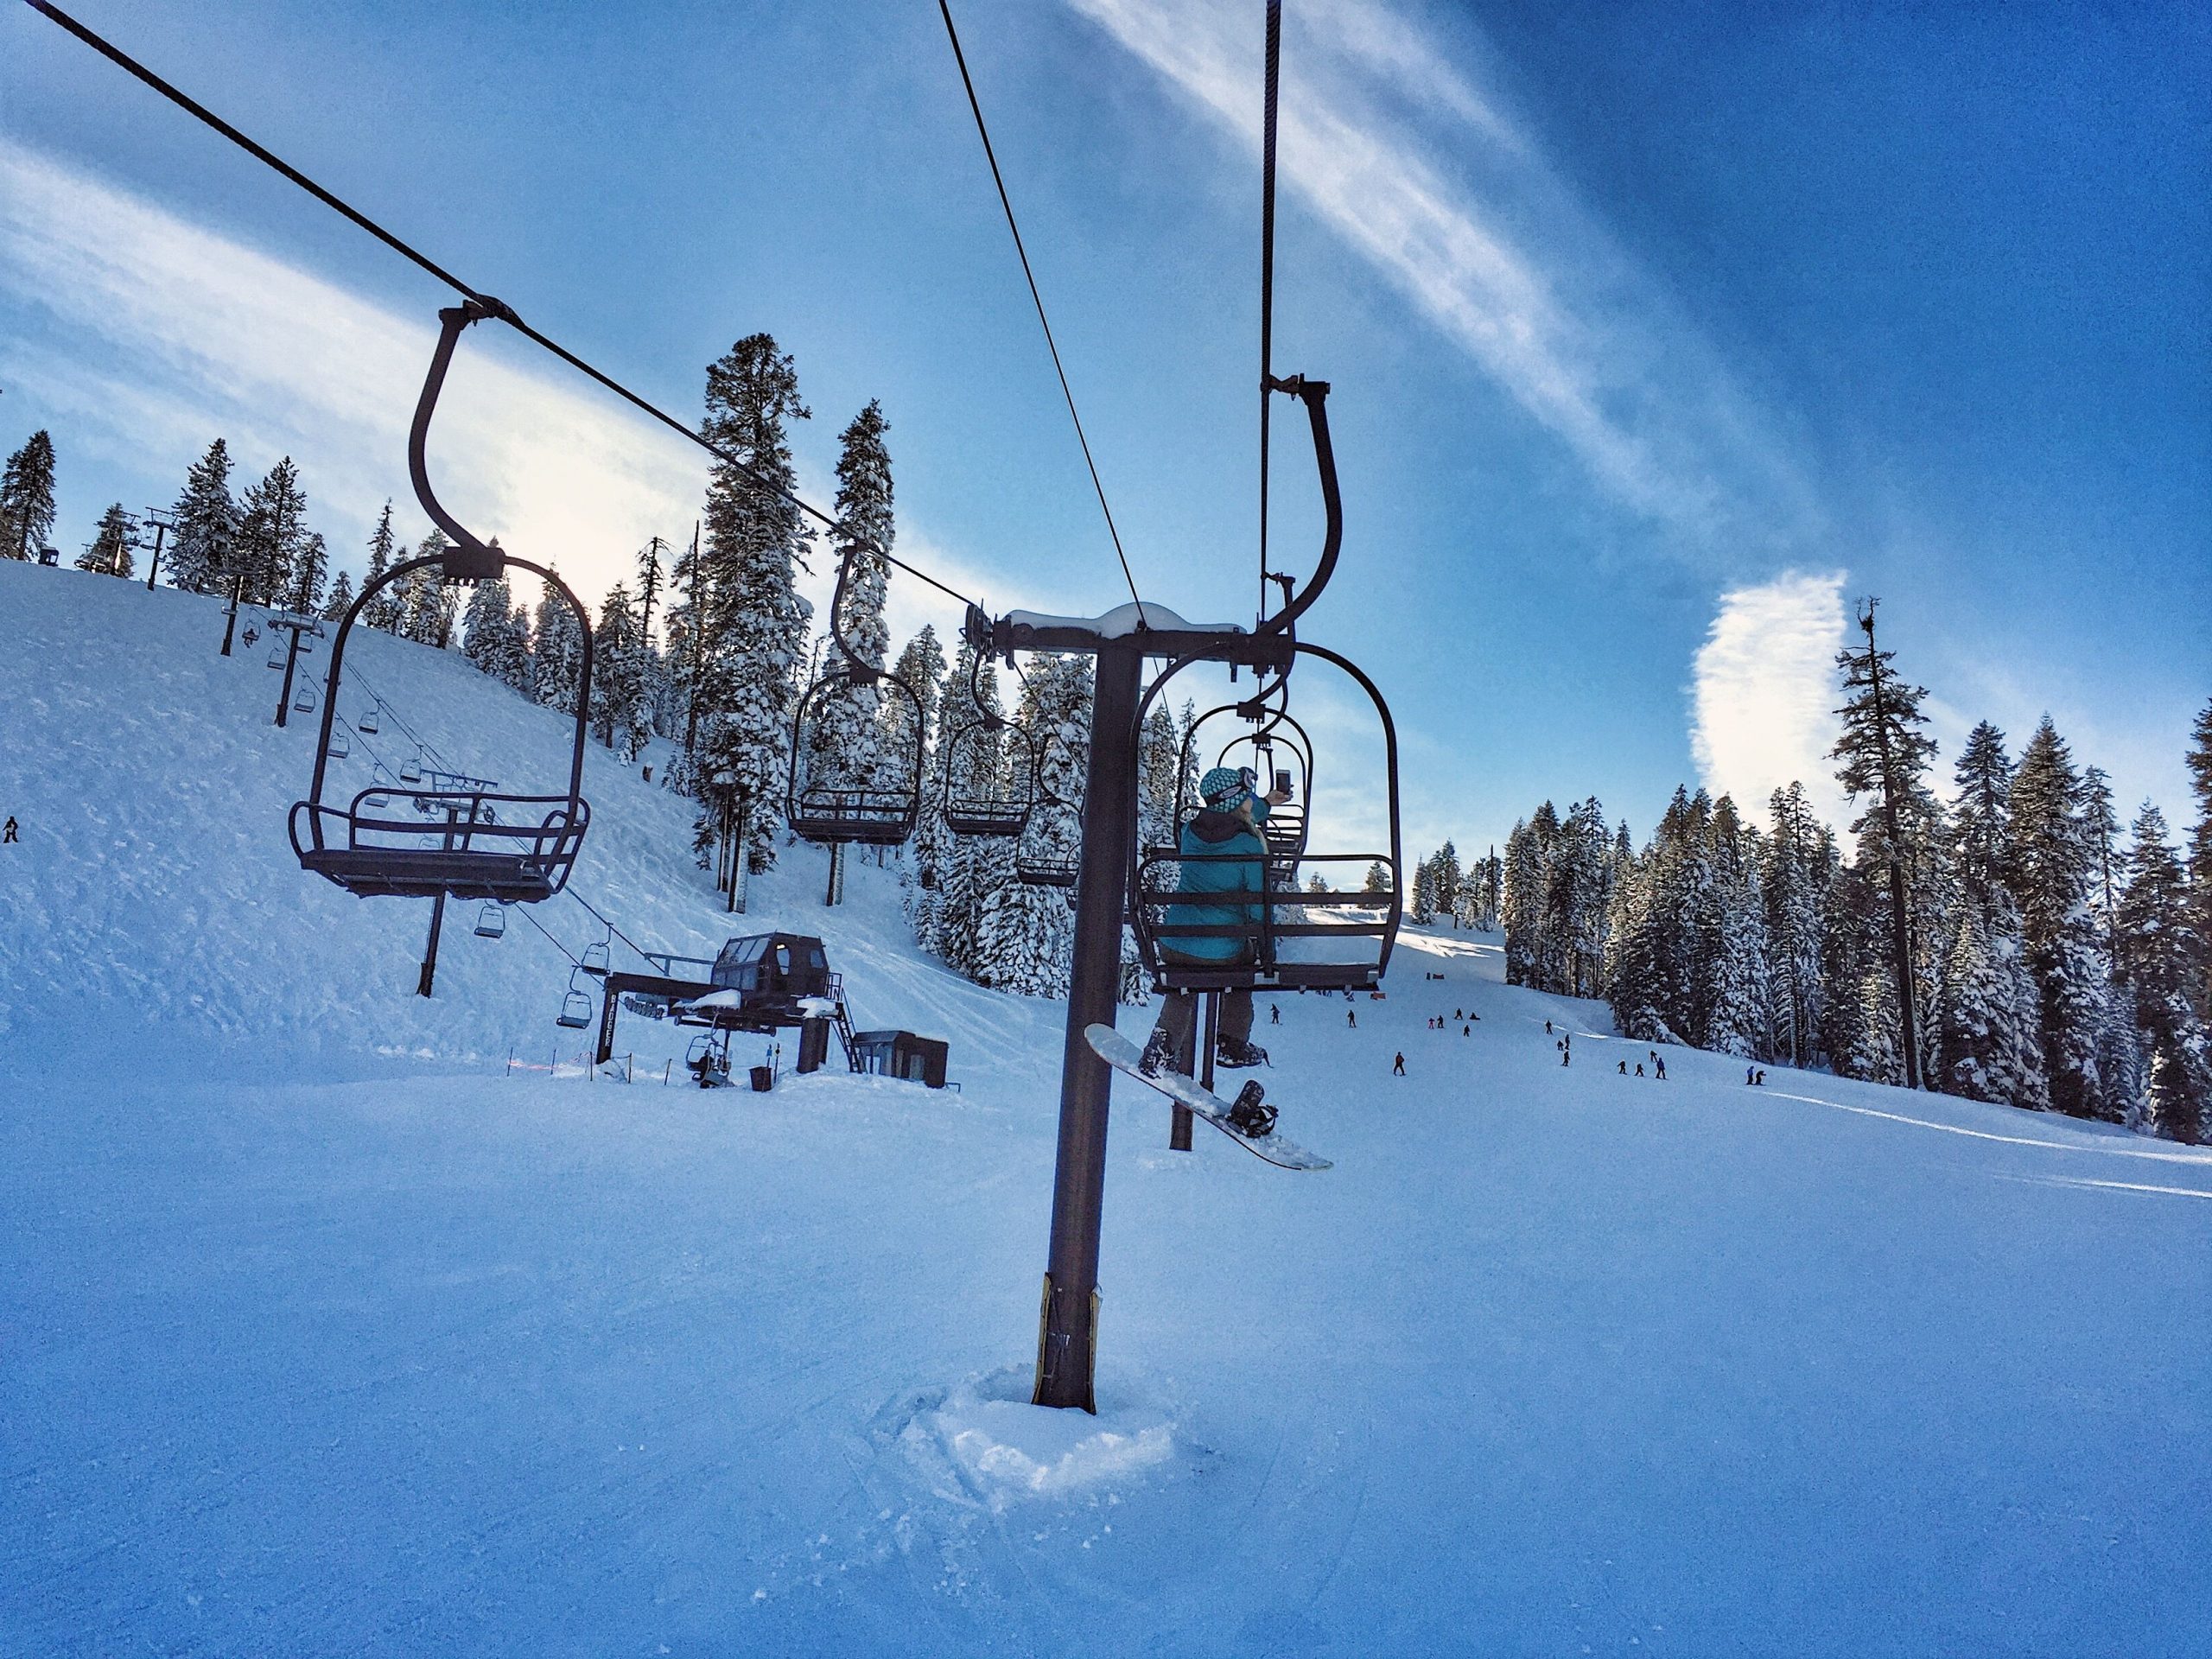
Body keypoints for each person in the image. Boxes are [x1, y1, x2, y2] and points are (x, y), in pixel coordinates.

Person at [1139, 766, 1291, 1131]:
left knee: (1183, 986)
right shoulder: (1248, 845)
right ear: (1238, 799)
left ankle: (1160, 1046)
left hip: (1175, 942)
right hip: (1219, 948)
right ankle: (1232, 1041)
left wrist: (1266, 803)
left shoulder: (1190, 832)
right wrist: (1263, 944)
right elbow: (1257, 907)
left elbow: (1231, 815)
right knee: (1243, 970)